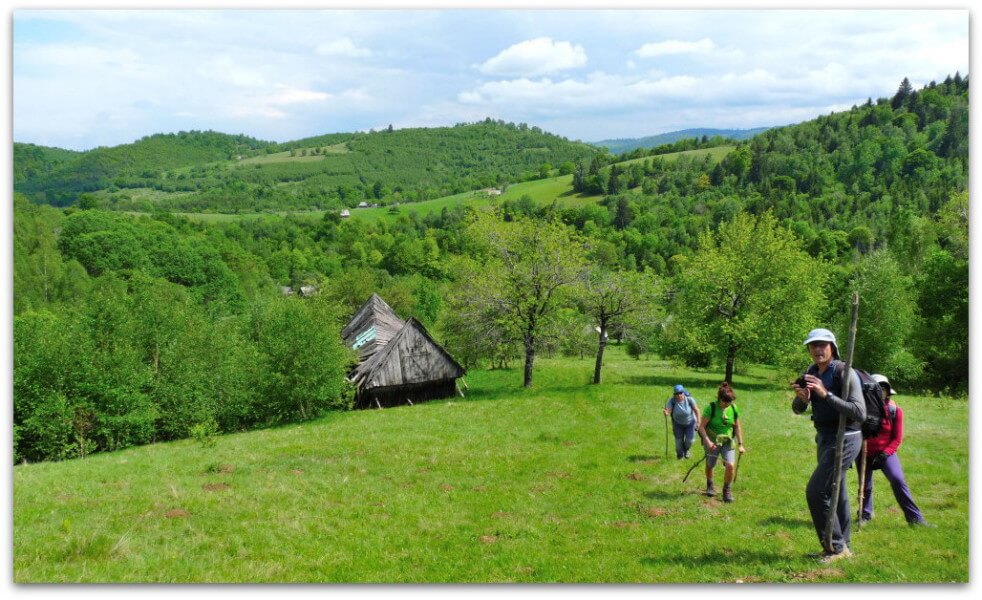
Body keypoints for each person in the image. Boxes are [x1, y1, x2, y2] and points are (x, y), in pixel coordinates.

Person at [791, 328, 866, 563]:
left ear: (832, 348)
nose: (817, 349)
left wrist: (826, 395)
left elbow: (859, 412)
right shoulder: (811, 372)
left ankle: (835, 546)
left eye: (822, 345)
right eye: (813, 346)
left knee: (816, 491)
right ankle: (843, 546)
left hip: (846, 437)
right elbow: (797, 408)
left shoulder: (845, 373)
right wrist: (803, 399)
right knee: (838, 491)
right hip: (824, 438)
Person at [858, 374, 934, 528]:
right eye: (876, 389)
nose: (880, 392)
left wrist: (885, 454)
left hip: (886, 453)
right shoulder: (860, 410)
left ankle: (915, 519)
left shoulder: (894, 411)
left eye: (883, 389)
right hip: (863, 453)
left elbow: (897, 439)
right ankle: (864, 515)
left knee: (898, 480)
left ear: (887, 391)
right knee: (864, 485)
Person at [697, 381, 745, 503]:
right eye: (725, 402)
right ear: (720, 399)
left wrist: (740, 444)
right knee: (710, 464)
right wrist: (707, 441)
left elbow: (737, 427)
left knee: (730, 465)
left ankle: (726, 491)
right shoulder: (711, 408)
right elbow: (701, 427)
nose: (727, 405)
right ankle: (710, 484)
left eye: (730, 402)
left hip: (727, 441)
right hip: (712, 441)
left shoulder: (733, 408)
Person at [663, 384, 701, 459]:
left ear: (683, 392)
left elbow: (697, 410)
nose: (679, 395)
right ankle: (680, 455)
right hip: (677, 424)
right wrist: (666, 413)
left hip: (690, 423)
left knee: (690, 440)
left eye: (681, 393)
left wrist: (698, 422)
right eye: (677, 394)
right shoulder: (672, 401)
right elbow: (669, 411)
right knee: (678, 444)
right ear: (674, 394)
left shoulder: (689, 399)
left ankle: (686, 450)